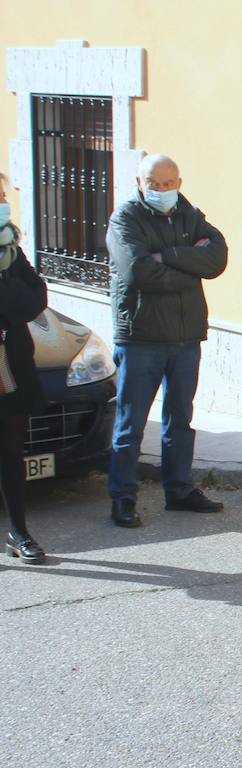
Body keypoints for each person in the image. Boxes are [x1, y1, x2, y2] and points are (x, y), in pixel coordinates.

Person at [105, 154, 228, 528]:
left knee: (181, 419)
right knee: (131, 423)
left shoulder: (190, 215)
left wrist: (170, 256)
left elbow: (217, 257)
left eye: (168, 183)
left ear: (179, 181)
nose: (162, 190)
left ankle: (179, 489)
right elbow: (140, 271)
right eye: (154, 183)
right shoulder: (124, 219)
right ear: (140, 183)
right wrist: (191, 271)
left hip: (186, 337)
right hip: (141, 337)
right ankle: (123, 498)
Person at [0, 172, 48, 562]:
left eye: (0, 193)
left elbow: (35, 301)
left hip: (10, 365)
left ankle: (19, 533)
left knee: (12, 451)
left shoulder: (10, 251)